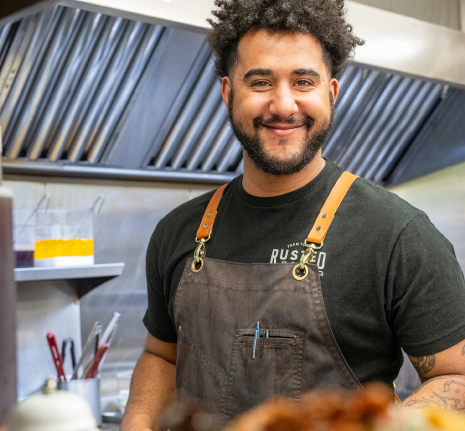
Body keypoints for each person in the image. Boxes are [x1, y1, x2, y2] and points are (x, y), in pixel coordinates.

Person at [121, 1, 465, 430]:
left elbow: (456, 373)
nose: (283, 105)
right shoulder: (176, 232)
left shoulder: (398, 235)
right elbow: (161, 355)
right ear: (229, 93)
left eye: (303, 81)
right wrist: (136, 423)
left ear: (331, 94)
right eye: (261, 82)